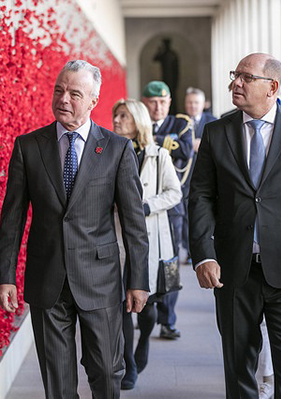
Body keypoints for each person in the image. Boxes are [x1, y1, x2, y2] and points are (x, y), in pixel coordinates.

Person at [0, 60, 149, 398]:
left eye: (74, 94)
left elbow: (135, 224)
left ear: (94, 100)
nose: (64, 99)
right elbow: (12, 217)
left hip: (100, 279)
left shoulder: (117, 149)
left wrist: (138, 280)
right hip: (47, 278)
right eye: (59, 90)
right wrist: (5, 275)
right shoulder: (29, 147)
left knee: (107, 371)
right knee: (58, 381)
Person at [189, 52, 281, 398]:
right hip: (233, 269)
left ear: (272, 87)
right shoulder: (216, 131)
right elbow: (200, 197)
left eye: (246, 77)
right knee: (238, 368)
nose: (235, 83)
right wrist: (203, 255)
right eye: (234, 75)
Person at [112, 99, 182, 390]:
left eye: (123, 116)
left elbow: (174, 193)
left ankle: (143, 345)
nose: (116, 120)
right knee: (124, 304)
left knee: (149, 306)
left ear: (138, 121)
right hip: (118, 239)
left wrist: (146, 206)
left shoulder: (157, 156)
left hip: (151, 238)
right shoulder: (109, 152)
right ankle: (128, 361)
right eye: (115, 115)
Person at [142, 80, 193, 340]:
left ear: (169, 103)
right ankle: (145, 310)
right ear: (145, 103)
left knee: (170, 264)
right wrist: (165, 142)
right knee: (144, 260)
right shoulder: (137, 122)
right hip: (142, 208)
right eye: (153, 102)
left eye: (163, 102)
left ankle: (168, 320)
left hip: (171, 209)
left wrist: (153, 139)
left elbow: (185, 150)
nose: (158, 107)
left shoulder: (180, 124)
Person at [182, 87, 217, 264]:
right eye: (190, 102)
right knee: (186, 212)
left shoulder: (212, 122)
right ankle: (189, 250)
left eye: (196, 103)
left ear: (203, 104)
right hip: (185, 175)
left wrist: (200, 145)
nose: (193, 106)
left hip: (206, 173)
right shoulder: (180, 122)